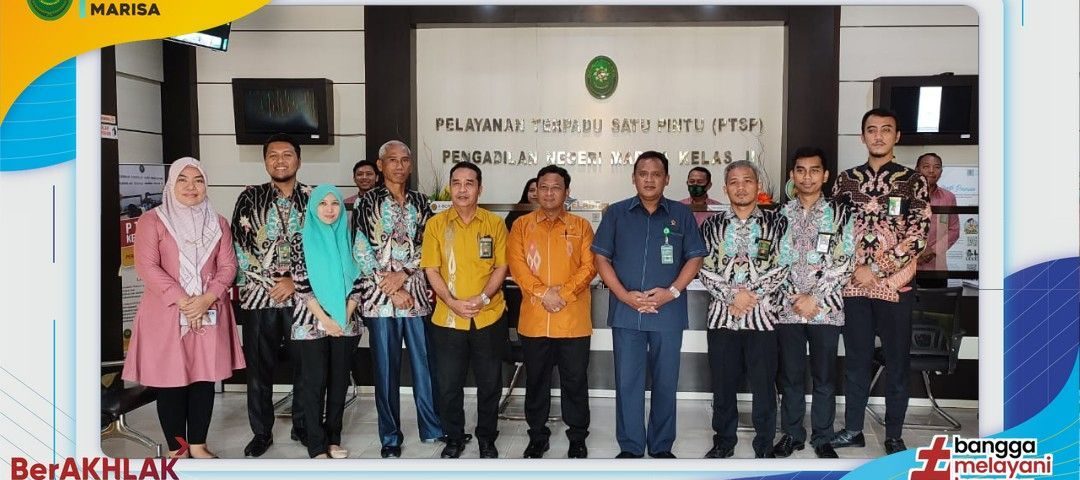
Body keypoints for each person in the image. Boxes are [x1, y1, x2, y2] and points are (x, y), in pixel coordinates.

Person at [122, 157, 245, 459]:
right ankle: (179, 447)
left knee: (204, 378)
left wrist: (207, 298)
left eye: (198, 180)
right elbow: (147, 266)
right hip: (166, 313)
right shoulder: (152, 220)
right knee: (172, 382)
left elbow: (228, 265)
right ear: (171, 184)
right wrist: (184, 301)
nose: (192, 187)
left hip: (209, 311)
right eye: (183, 180)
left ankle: (199, 445)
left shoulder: (218, 223)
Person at [591, 151, 706, 459]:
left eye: (656, 174)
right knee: (628, 382)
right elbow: (601, 258)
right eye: (643, 173)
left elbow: (695, 257)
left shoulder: (681, 215)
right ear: (634, 178)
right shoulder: (616, 213)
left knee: (666, 382)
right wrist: (623, 295)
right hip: (626, 312)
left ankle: (661, 445)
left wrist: (672, 292)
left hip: (668, 313)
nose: (649, 179)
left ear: (667, 179)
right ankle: (630, 446)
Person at [830, 108, 930, 455]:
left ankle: (894, 435)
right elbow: (834, 230)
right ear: (862, 137)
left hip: (895, 288)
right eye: (871, 130)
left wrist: (876, 267)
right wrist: (856, 268)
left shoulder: (913, 180)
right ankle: (853, 429)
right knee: (856, 361)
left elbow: (918, 235)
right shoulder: (846, 180)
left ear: (896, 136)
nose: (878, 136)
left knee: (896, 362)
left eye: (886, 129)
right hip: (854, 286)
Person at [350, 140, 443, 458]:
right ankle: (390, 436)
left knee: (424, 365)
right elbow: (360, 248)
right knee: (386, 370)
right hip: (379, 300)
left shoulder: (422, 201)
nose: (399, 165)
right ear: (380, 165)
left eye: (405, 160)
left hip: (415, 297)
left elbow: (430, 245)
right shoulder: (366, 202)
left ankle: (432, 428)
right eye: (393, 160)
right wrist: (389, 285)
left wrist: (403, 275)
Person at [697, 160, 789, 459]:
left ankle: (764, 444)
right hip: (722, 320)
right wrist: (731, 296)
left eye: (747, 181)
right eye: (734, 182)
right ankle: (724, 442)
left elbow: (783, 265)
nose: (741, 187)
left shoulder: (777, 223)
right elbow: (703, 267)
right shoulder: (711, 225)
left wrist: (751, 296)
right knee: (723, 386)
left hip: (763, 320)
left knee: (764, 387)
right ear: (725, 189)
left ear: (757, 186)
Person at [231, 133, 312, 457]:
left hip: (303, 299)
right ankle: (261, 432)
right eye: (273, 155)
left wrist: (294, 282)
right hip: (258, 297)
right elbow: (240, 247)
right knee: (258, 369)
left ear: (299, 160)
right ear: (265, 161)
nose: (280, 160)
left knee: (306, 366)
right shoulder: (249, 197)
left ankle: (303, 425)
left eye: (287, 154)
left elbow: (322, 248)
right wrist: (272, 283)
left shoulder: (313, 198)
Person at [507, 165, 597, 459]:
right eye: (543, 187)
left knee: (575, 381)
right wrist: (543, 293)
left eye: (555, 187)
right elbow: (517, 266)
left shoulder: (581, 227)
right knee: (536, 381)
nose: (548, 193)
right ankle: (537, 436)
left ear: (566, 192)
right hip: (535, 320)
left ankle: (578, 437)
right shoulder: (521, 226)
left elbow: (590, 267)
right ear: (536, 191)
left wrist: (562, 294)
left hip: (573, 320)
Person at [421, 161, 510, 459]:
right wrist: (452, 302)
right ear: (450, 187)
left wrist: (482, 298)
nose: (462, 189)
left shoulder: (494, 223)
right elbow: (431, 269)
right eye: (456, 183)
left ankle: (487, 438)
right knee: (448, 384)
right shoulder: (436, 224)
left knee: (489, 384)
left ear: (479, 189)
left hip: (489, 316)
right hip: (448, 318)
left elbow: (501, 267)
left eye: (469, 183)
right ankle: (454, 437)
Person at [772, 148, 856, 459]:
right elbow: (772, 261)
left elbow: (846, 260)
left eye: (814, 170)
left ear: (825, 175)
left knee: (824, 377)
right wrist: (796, 296)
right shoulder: (779, 215)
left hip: (825, 309)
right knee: (790, 376)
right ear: (792, 175)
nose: (807, 177)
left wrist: (814, 297)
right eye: (800, 170)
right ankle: (792, 434)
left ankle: (823, 436)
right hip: (787, 309)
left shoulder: (842, 214)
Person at [291, 185, 362, 459]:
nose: (330, 209)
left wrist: (343, 316)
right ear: (313, 208)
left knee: (339, 382)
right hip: (311, 321)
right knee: (314, 383)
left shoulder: (349, 235)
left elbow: (359, 280)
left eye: (335, 203)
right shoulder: (300, 238)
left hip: (345, 321)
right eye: (323, 203)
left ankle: (333, 438)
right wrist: (326, 320)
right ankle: (316, 444)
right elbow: (301, 283)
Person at [915, 153, 960, 287]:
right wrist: (915, 252)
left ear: (941, 171)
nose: (931, 171)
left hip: (936, 269)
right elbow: (893, 227)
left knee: (937, 301)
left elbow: (954, 230)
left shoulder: (948, 197)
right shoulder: (902, 195)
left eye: (936, 167)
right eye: (926, 166)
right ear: (917, 170)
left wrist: (933, 251)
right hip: (906, 267)